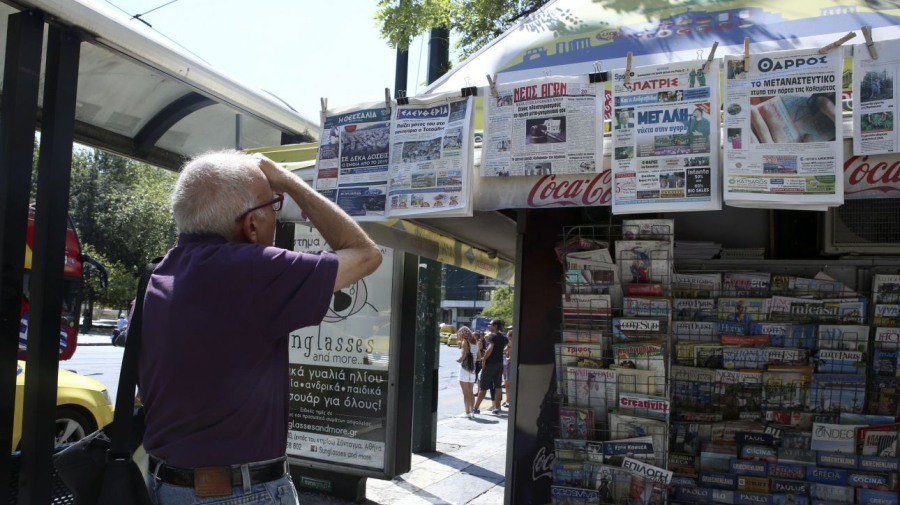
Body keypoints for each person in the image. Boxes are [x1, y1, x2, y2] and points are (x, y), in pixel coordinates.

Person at [138, 151, 382, 504]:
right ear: (251, 224)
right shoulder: (251, 269)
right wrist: (288, 181)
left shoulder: (155, 274)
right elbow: (365, 254)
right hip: (238, 492)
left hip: (163, 486)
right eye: (274, 206)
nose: (275, 216)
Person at [474, 319, 509, 415]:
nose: (489, 325)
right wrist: (503, 351)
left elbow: (490, 348)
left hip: (490, 365)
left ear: (495, 326)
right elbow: (509, 345)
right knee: (498, 386)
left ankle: (476, 408)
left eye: (490, 324)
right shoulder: (503, 337)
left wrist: (484, 359)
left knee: (483, 386)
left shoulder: (492, 336)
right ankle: (497, 408)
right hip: (499, 364)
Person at [456, 327, 477, 419]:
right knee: (471, 392)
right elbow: (479, 357)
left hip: (465, 369)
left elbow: (463, 356)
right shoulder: (475, 342)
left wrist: (458, 359)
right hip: (473, 370)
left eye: (459, 333)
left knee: (465, 393)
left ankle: (467, 412)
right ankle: (472, 412)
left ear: (463, 334)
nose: (458, 335)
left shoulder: (465, 342)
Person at [502, 326, 513, 408]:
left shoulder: (512, 345)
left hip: (510, 365)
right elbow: (504, 350)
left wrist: (506, 358)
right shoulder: (509, 345)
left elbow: (510, 358)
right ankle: (507, 399)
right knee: (506, 383)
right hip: (507, 366)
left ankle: (509, 400)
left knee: (508, 383)